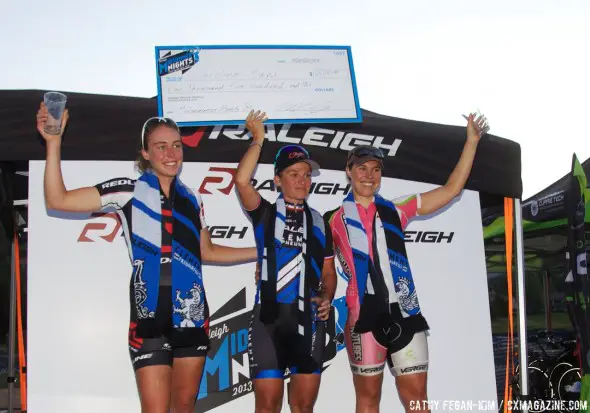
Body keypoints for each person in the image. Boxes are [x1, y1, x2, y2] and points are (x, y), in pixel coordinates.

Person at [36, 102, 258, 413]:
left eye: (177, 146)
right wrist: (53, 141)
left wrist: (261, 251)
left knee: (183, 407)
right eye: (161, 147)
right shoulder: (127, 191)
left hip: (191, 316)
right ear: (145, 153)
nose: (171, 154)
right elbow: (57, 199)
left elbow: (207, 251)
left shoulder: (193, 199)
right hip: (148, 317)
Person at [324, 113, 490, 413]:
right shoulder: (332, 220)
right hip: (362, 317)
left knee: (417, 401)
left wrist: (471, 142)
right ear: (348, 171)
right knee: (367, 400)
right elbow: (318, 265)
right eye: (361, 168)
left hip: (405, 312)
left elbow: (451, 190)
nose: (369, 175)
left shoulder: (397, 209)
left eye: (375, 169)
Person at [235, 110, 337, 413]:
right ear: (278, 180)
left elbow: (329, 272)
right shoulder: (265, 214)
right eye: (294, 174)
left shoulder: (320, 222)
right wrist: (258, 139)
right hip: (269, 321)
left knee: (304, 407)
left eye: (306, 175)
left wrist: (328, 296)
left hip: (310, 322)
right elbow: (241, 181)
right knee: (267, 406)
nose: (302, 180)